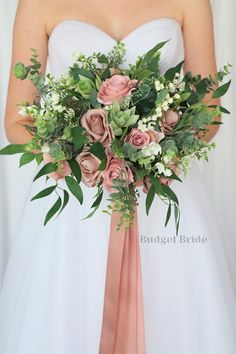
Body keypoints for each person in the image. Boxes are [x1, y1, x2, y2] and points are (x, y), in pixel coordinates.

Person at [1, 0, 236, 353]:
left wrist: (153, 154)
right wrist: (79, 155)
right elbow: (17, 122)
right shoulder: (36, 3)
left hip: (160, 189)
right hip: (76, 199)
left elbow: (209, 111)